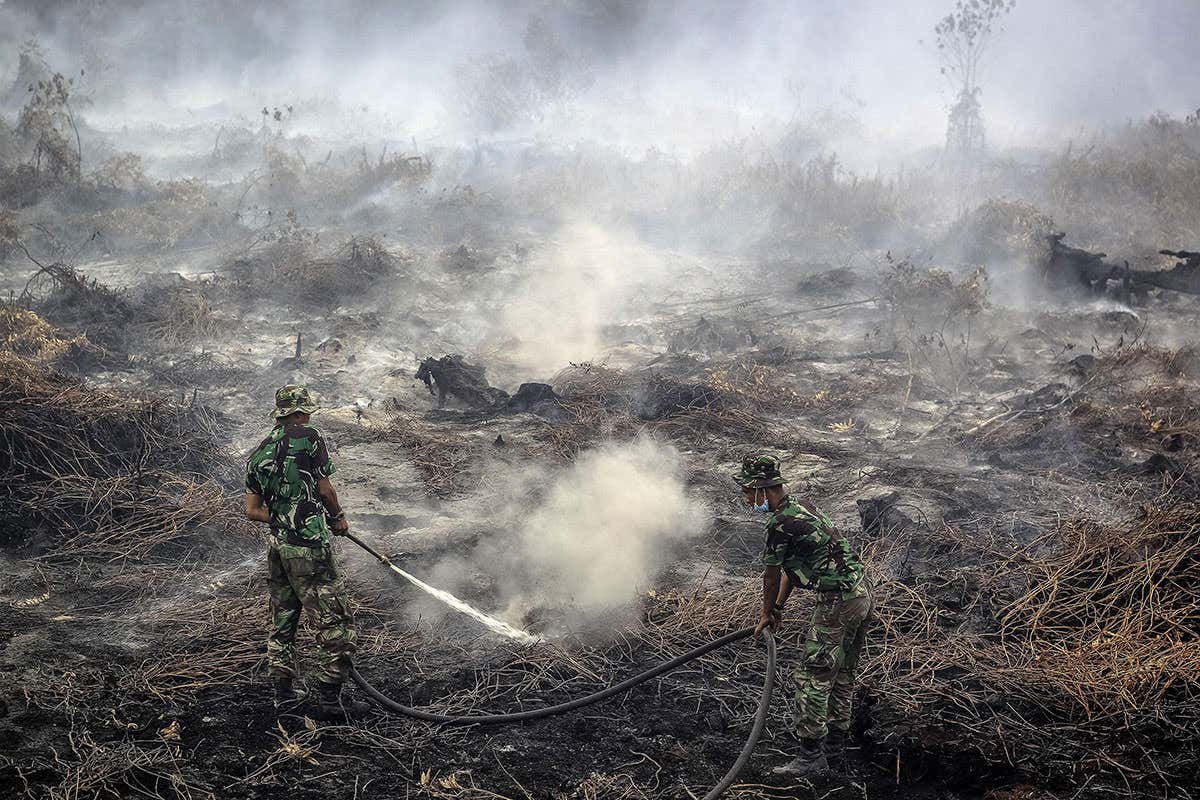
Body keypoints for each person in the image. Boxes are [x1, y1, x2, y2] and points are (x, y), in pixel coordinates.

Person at [734, 455, 873, 777]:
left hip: (837, 602)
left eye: (746, 492)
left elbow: (770, 575)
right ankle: (836, 749)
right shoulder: (803, 506)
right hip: (861, 595)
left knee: (813, 677)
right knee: (841, 675)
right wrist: (776, 611)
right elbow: (790, 571)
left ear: (761, 490)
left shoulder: (779, 524)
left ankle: (811, 758)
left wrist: (764, 612)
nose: (745, 500)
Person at [244, 385, 371, 720]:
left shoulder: (259, 452)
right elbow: (325, 488)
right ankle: (330, 701)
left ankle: (283, 694)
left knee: (283, 619)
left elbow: (252, 510)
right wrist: (337, 518)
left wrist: (285, 517)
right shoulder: (309, 436)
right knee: (335, 622)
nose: (310, 416)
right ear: (300, 412)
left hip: (278, 548)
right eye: (308, 411)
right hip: (309, 548)